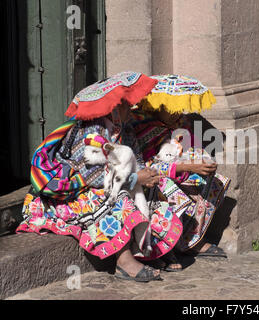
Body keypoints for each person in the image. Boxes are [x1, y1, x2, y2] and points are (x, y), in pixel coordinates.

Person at [17, 72, 183, 282]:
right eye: (126, 105)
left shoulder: (124, 130)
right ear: (114, 106)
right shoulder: (89, 132)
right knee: (115, 197)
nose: (131, 110)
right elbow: (93, 178)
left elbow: (137, 161)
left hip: (107, 183)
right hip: (71, 194)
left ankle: (150, 249)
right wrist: (135, 179)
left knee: (157, 188)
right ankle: (124, 261)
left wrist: (147, 175)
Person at [132, 74, 231, 271]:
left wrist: (202, 162)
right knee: (172, 192)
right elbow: (149, 168)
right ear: (158, 107)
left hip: (181, 173)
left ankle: (191, 240)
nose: (178, 113)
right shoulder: (142, 128)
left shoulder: (180, 125)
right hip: (153, 182)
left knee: (214, 182)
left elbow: (191, 148)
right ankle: (164, 247)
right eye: (172, 109)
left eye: (180, 109)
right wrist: (186, 167)